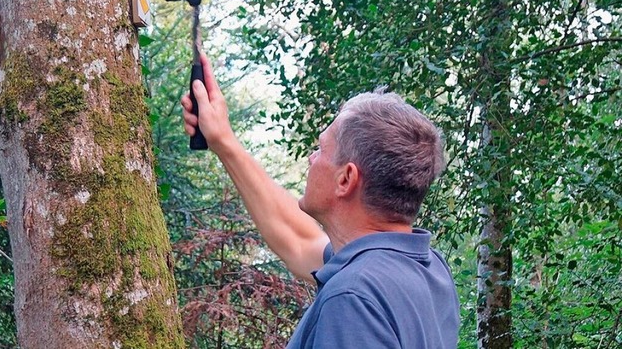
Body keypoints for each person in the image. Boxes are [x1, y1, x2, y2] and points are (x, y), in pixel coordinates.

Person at [181, 54, 460, 348]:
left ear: (345, 179)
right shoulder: (426, 269)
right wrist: (223, 141)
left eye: (320, 149)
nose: (312, 158)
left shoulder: (353, 298)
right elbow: (299, 241)